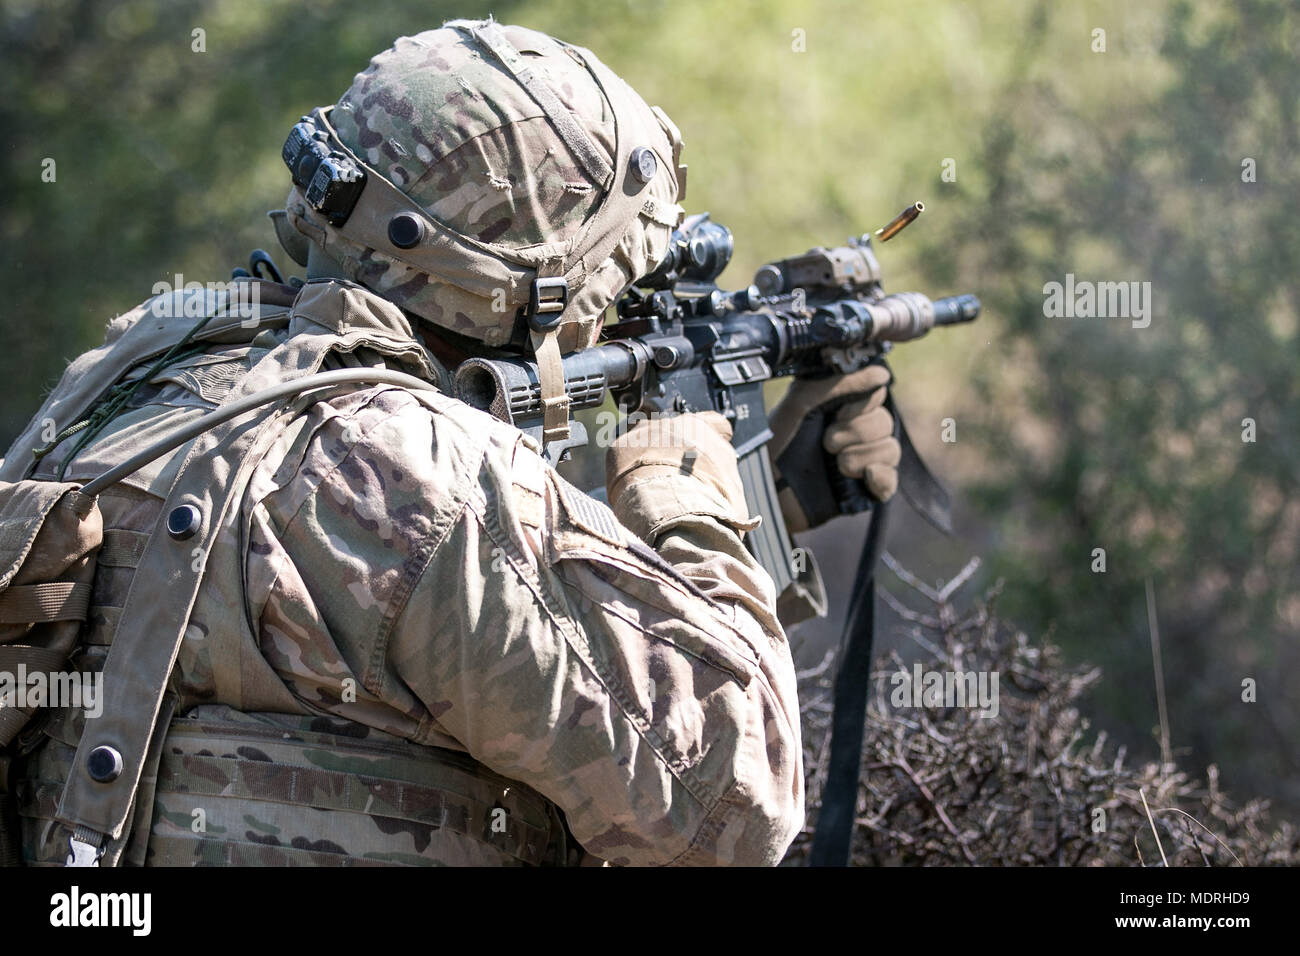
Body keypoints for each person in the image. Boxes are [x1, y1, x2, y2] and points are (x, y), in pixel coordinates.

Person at [3, 18, 898, 867]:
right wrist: (686, 491)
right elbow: (737, 806)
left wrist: (758, 513)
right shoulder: (416, 481)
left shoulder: (135, 368)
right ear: (528, 290)